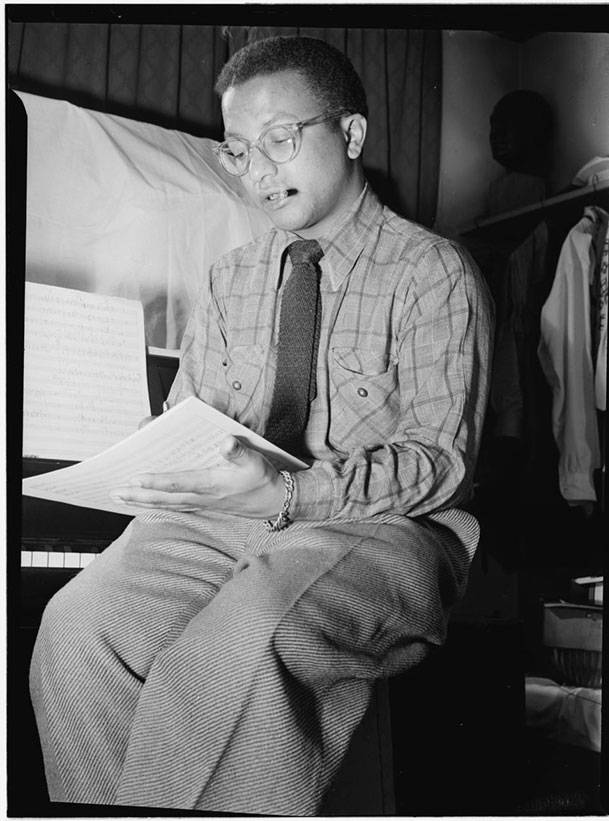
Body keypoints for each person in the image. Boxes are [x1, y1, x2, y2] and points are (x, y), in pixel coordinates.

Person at [30, 35, 494, 816]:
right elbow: (191, 415)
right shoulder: (230, 278)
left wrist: (285, 492)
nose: (258, 171)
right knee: (78, 627)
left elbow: (439, 461)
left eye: (280, 139)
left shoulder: (432, 271)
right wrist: (158, 462)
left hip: (380, 527)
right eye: (239, 151)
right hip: (226, 521)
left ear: (351, 133)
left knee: (240, 642)